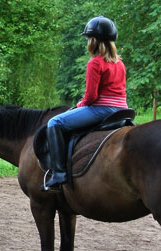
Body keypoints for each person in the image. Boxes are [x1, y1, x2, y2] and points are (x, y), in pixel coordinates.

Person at [43, 16, 128, 191]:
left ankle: (59, 174)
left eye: (89, 39)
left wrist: (79, 105)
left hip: (102, 109)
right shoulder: (120, 63)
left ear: (94, 41)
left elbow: (91, 97)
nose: (88, 42)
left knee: (54, 122)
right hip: (122, 109)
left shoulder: (95, 63)